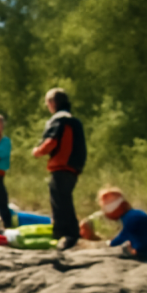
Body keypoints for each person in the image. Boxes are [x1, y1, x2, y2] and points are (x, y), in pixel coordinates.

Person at [31, 88, 87, 250]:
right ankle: (72, 232)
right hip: (74, 165)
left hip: (62, 165)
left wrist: (38, 152)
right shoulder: (75, 120)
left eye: (48, 103)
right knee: (65, 198)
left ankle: (64, 234)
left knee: (59, 200)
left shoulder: (59, 120)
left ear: (52, 103)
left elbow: (52, 142)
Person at [80, 187, 147, 260]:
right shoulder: (134, 214)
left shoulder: (132, 217)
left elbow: (123, 236)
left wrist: (110, 243)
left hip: (140, 252)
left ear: (118, 208)